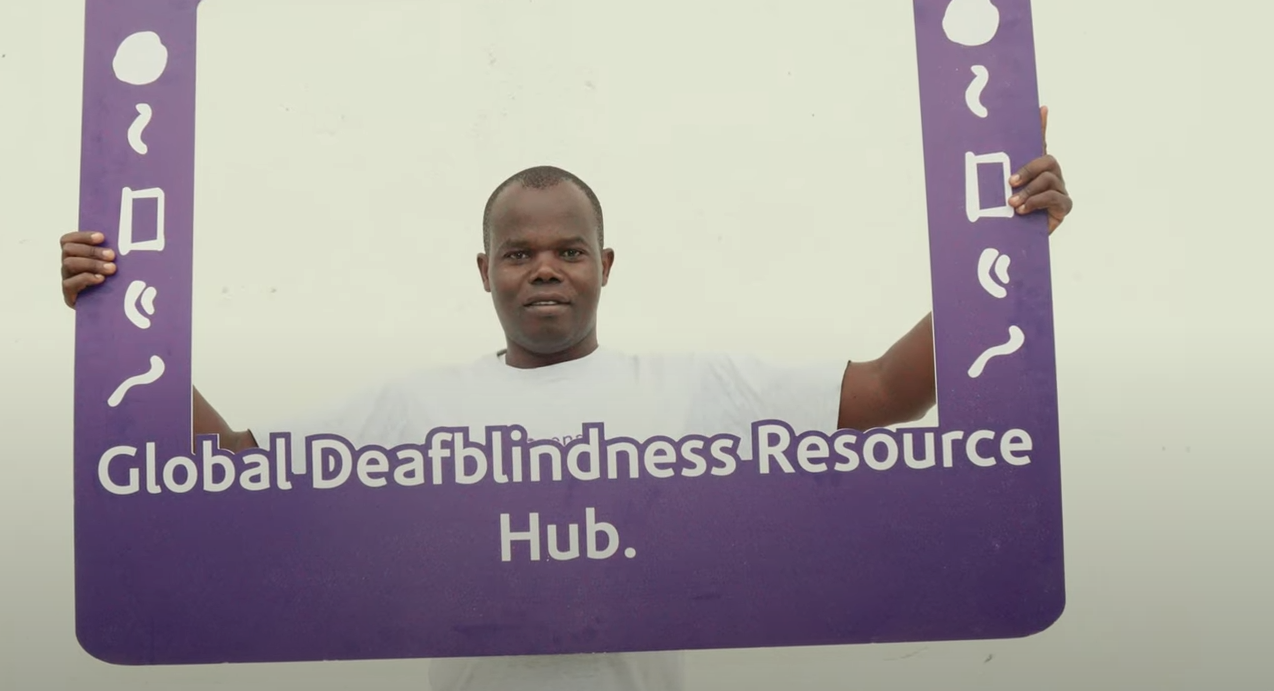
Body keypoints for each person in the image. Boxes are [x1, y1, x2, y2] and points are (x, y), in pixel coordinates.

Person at [60, 107, 1071, 691]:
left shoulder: (698, 392)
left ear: (604, 265)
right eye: (518, 252)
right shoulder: (407, 412)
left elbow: (890, 390)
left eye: (568, 249)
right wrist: (119, 318)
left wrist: (1003, 242)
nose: (544, 267)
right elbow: (226, 475)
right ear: (484, 272)